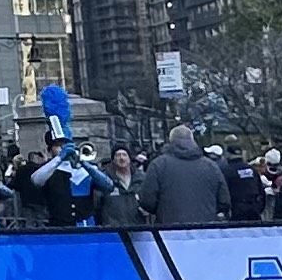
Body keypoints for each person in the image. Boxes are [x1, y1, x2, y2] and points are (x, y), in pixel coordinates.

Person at [15, 87, 113, 227]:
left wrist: (84, 163)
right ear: (50, 150)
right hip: (60, 228)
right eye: (58, 145)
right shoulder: (49, 170)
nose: (63, 148)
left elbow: (108, 186)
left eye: (66, 144)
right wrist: (59, 158)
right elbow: (36, 180)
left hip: (88, 228)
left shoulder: (87, 169)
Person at [137, 125, 230, 225]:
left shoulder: (158, 165)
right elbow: (224, 201)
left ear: (170, 140)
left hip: (169, 227)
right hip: (204, 228)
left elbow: (147, 202)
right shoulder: (211, 166)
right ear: (192, 140)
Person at [222, 141, 268, 222]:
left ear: (228, 154)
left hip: (236, 212)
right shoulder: (251, 169)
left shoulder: (226, 171)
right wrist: (258, 208)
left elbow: (224, 193)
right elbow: (261, 191)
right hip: (253, 209)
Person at [98, 146, 141, 227]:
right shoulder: (105, 180)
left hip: (138, 228)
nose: (122, 158)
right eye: (118, 155)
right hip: (113, 229)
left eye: (124, 155)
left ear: (129, 159)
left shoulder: (141, 178)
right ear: (113, 160)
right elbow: (97, 204)